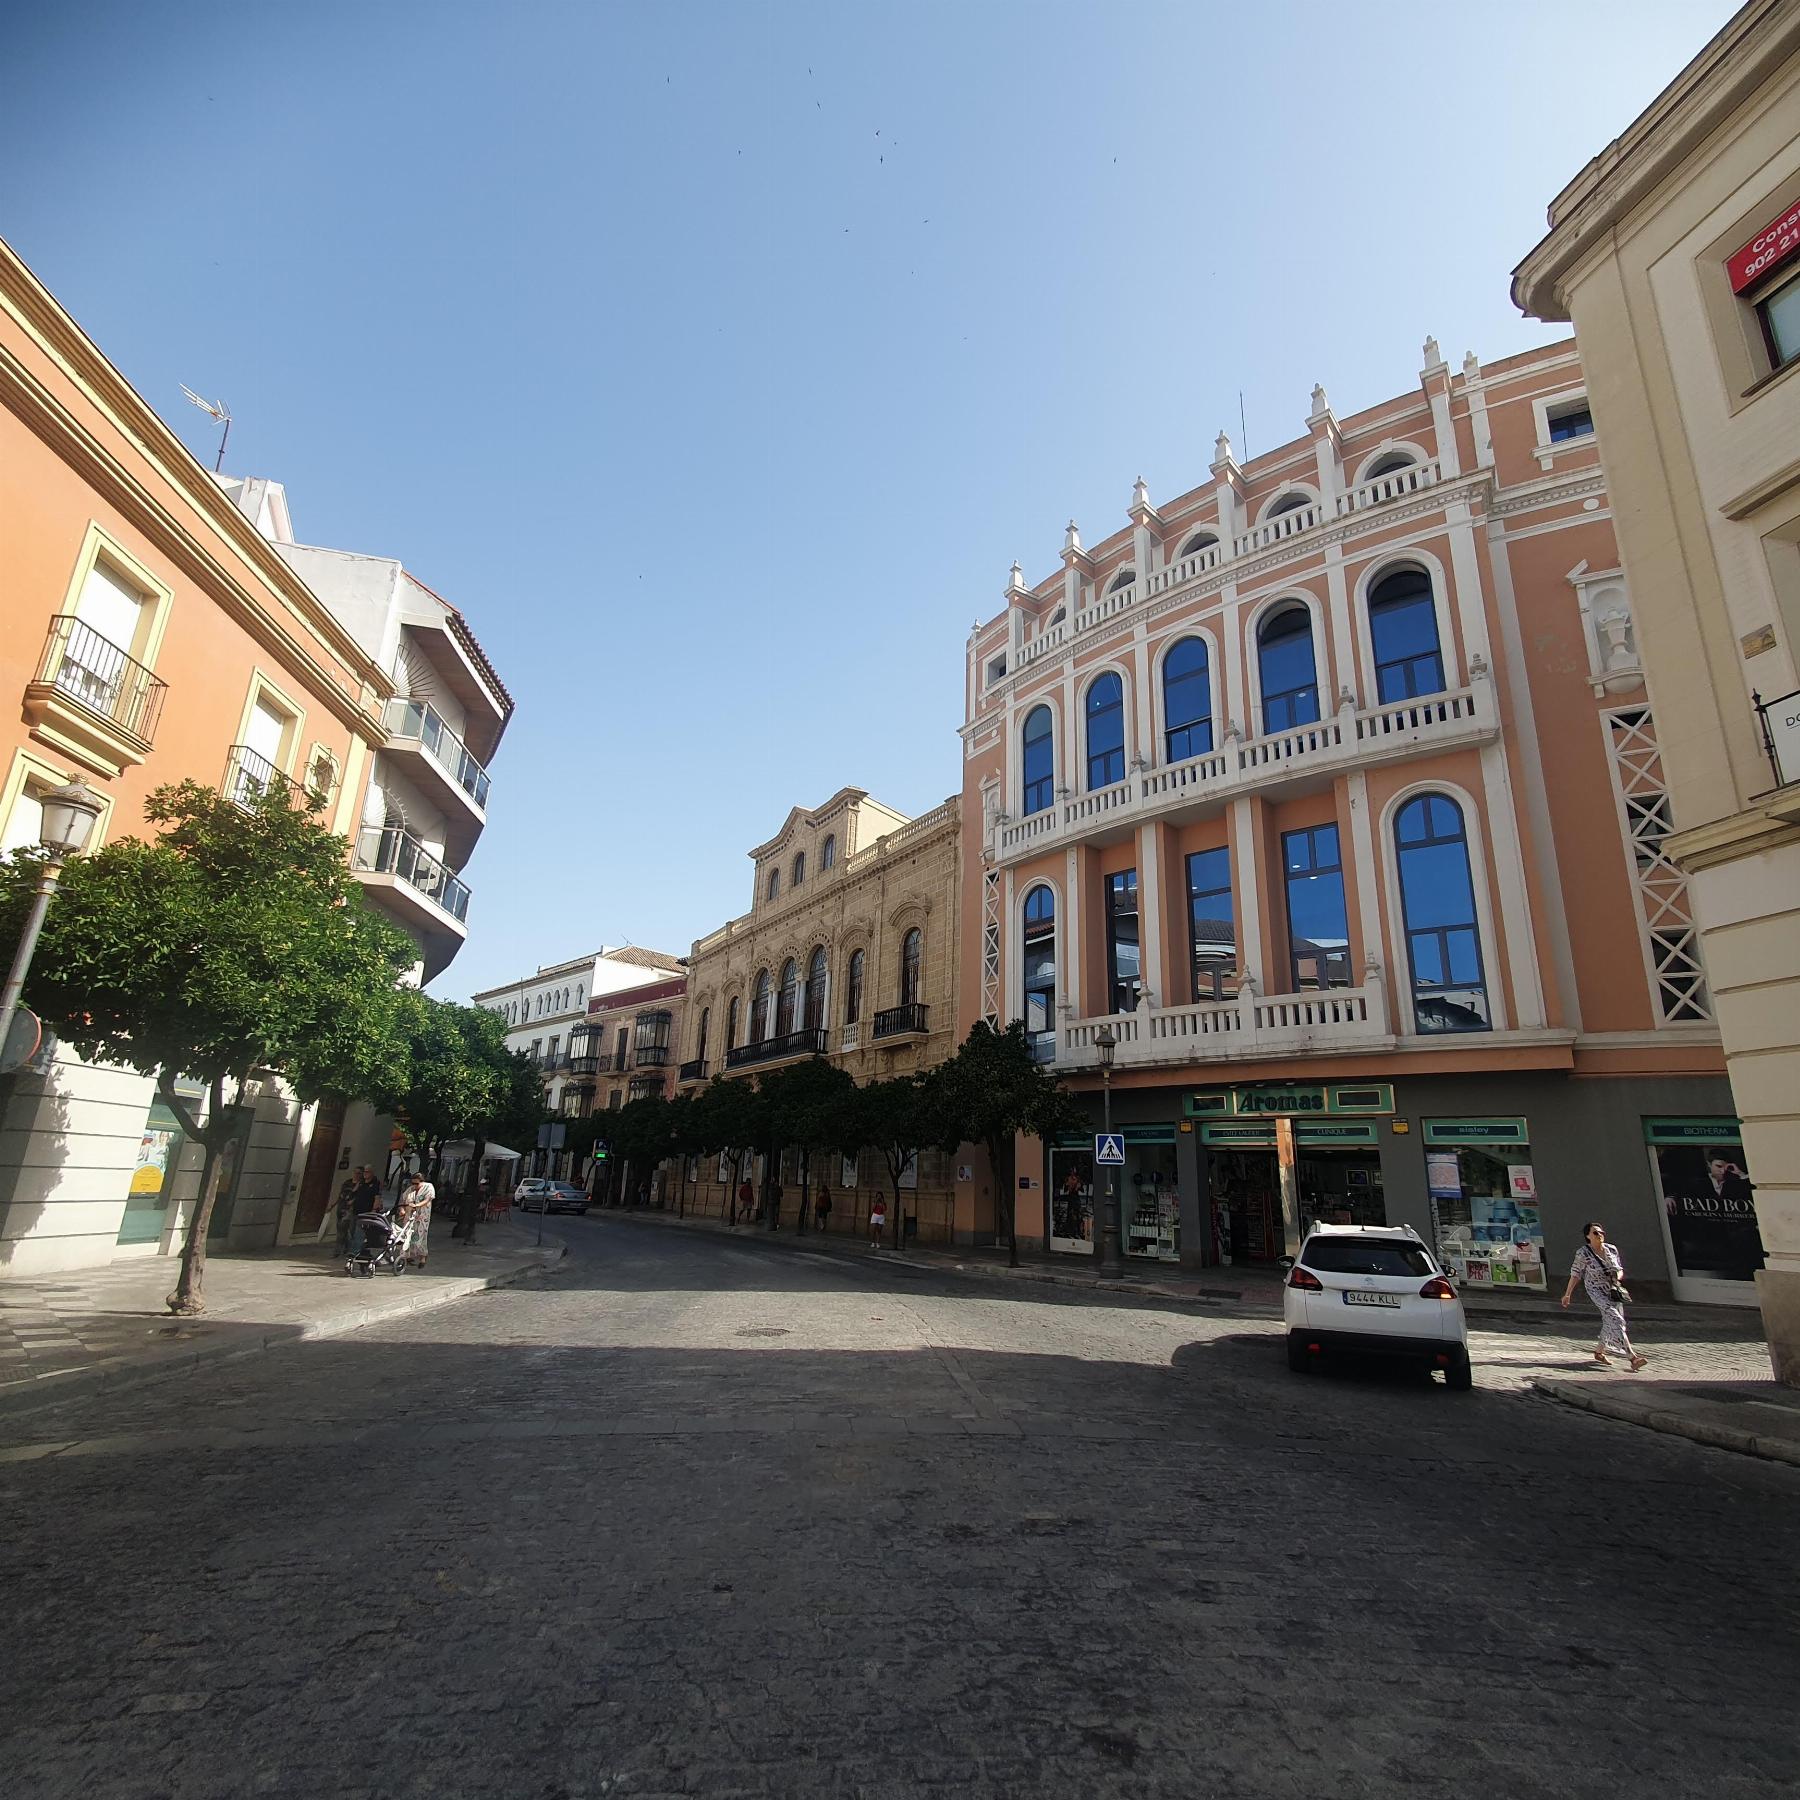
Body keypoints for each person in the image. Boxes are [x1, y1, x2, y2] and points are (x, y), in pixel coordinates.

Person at [1561, 1221, 1647, 1371]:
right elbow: (1575, 1274)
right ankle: (1632, 1358)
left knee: (1610, 1320)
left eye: (1601, 1233)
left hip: (1612, 1290)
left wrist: (1618, 1277)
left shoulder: (1611, 1250)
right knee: (1616, 1319)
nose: (1600, 1235)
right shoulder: (1583, 1253)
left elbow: (1619, 1268)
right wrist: (1567, 1294)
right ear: (1588, 1236)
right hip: (1595, 1290)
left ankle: (1599, 1351)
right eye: (1595, 1233)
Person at [399, 1171, 435, 1267]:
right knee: (406, 1235)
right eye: (413, 1183)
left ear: (422, 1182)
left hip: (422, 1217)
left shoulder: (428, 1187)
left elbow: (427, 1199)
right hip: (409, 1216)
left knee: (420, 1236)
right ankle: (406, 1256)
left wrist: (416, 1205)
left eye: (417, 1183)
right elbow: (403, 1200)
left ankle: (422, 1257)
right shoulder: (410, 1189)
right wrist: (402, 1209)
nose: (414, 1185)